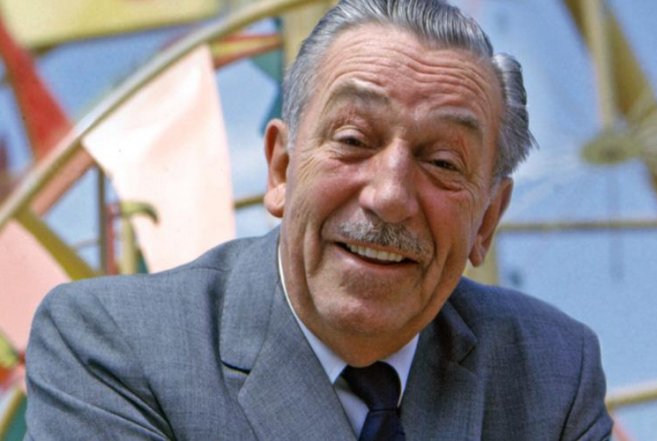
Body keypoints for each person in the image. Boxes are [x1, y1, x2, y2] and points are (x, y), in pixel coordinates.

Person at [23, 0, 613, 439]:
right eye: (354, 139)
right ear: (281, 169)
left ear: (486, 222)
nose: (389, 196)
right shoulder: (113, 347)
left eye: (441, 163)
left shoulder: (552, 371)